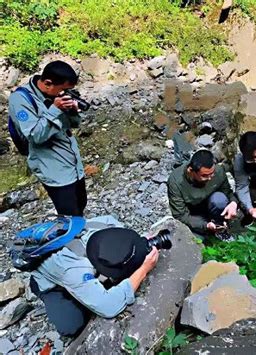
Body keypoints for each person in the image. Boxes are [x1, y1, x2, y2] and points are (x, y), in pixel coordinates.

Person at [30, 216, 159, 336]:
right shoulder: (75, 269)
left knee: (119, 278)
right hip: (51, 281)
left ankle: (90, 289)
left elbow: (122, 245)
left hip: (73, 264)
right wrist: (143, 269)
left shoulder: (107, 223)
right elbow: (109, 306)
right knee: (71, 325)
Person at [8, 60, 86, 216]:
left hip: (73, 164)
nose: (65, 94)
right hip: (54, 170)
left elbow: (74, 124)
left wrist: (72, 111)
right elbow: (35, 135)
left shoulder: (56, 95)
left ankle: (79, 235)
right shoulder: (20, 100)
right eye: (63, 90)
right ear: (48, 83)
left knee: (81, 204)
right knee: (70, 216)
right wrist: (55, 110)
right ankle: (69, 239)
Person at [167, 149, 238, 240]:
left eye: (211, 174)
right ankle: (209, 230)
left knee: (219, 199)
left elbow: (227, 193)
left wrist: (233, 203)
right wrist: (205, 225)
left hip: (213, 206)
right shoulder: (175, 182)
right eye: (204, 175)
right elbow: (180, 215)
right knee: (197, 239)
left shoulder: (218, 171)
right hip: (193, 214)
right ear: (191, 171)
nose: (209, 178)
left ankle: (220, 227)